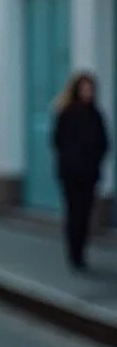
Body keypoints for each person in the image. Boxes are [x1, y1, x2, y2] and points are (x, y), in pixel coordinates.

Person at [53, 72, 110, 270]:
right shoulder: (66, 114)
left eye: (90, 89)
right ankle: (74, 253)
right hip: (70, 173)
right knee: (74, 212)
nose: (87, 93)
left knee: (85, 213)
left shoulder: (95, 115)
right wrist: (71, 161)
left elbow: (104, 143)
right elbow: (57, 141)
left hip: (89, 173)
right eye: (84, 89)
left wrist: (94, 161)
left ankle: (81, 250)